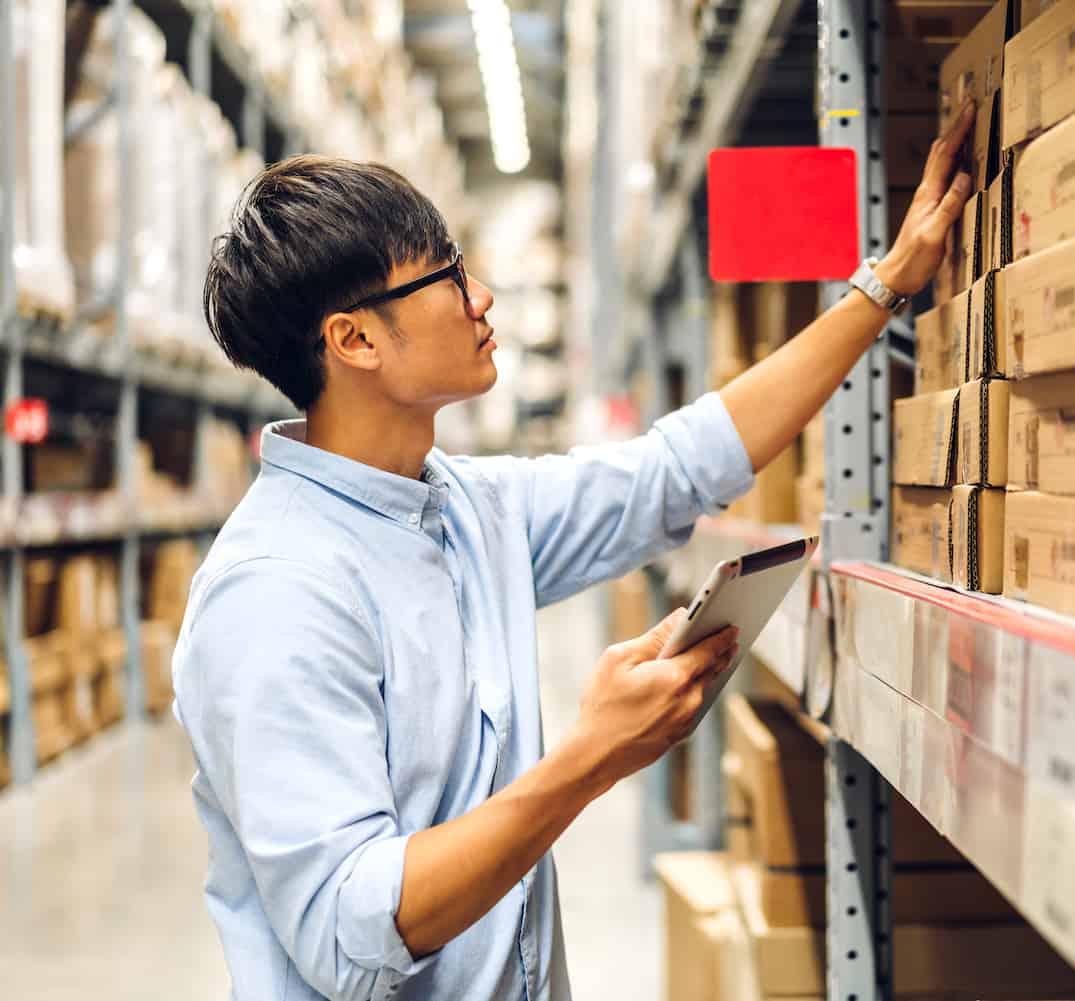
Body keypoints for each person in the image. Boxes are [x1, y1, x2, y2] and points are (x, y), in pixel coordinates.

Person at [173, 100, 976, 1001]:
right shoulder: (277, 593)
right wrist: (592, 753)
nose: (480, 299)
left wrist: (884, 287)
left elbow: (676, 470)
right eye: (444, 278)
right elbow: (348, 936)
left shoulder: (467, 509)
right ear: (353, 339)